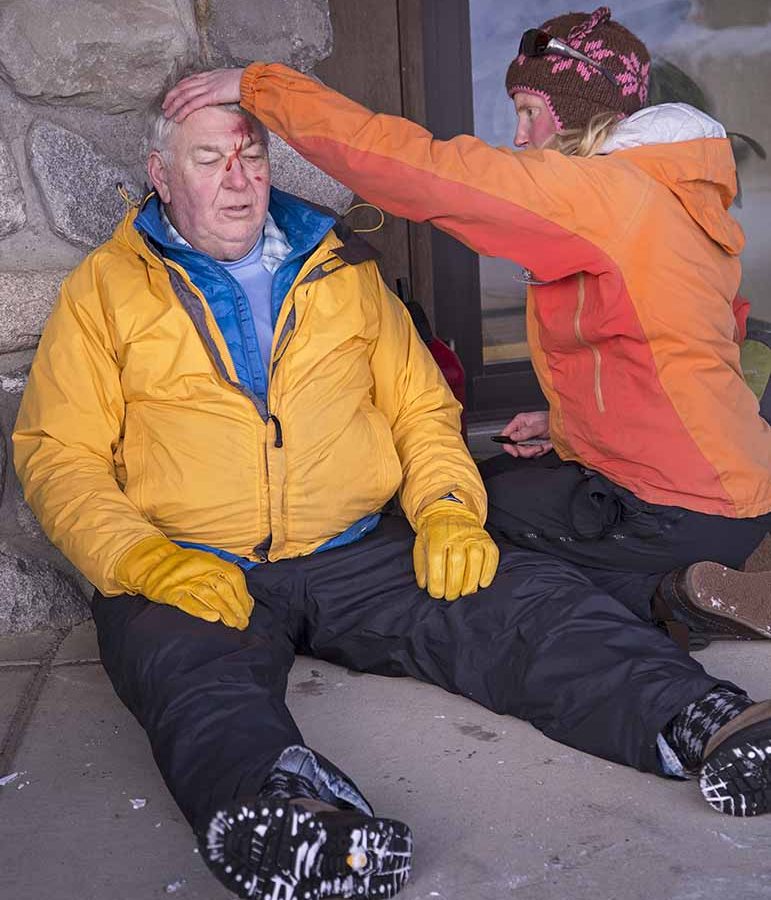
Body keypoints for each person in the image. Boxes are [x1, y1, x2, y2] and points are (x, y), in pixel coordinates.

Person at [13, 64, 771, 900]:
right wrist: (140, 561)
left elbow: (419, 410)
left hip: (355, 545)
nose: (239, 181)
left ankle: (702, 721)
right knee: (191, 676)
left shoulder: (341, 271)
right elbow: (58, 453)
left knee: (518, 597)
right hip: (192, 556)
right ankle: (295, 818)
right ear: (159, 175)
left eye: (253, 157)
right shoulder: (106, 292)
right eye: (208, 159)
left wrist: (447, 510)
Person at [160, 6, 771, 647]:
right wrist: (573, 427)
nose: (522, 135)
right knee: (492, 480)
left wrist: (264, 88)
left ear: (587, 113)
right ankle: (736, 555)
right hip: (730, 487)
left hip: (671, 505)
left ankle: (675, 594)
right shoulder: (673, 191)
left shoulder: (602, 194)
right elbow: (684, 351)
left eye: (533, 112)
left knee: (461, 532)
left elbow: (425, 173)